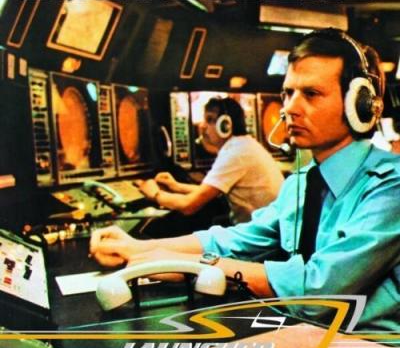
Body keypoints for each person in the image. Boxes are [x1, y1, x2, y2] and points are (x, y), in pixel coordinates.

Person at [90, 29, 400, 331]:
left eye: (311, 94)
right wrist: (140, 250)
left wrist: (190, 264)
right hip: (304, 333)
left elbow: (318, 289)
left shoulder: (391, 186)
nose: (290, 108)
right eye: (288, 93)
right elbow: (237, 241)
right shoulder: (302, 182)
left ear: (359, 105)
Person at [138, 97, 284, 224]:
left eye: (209, 120)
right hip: (269, 228)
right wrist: (176, 186)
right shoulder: (242, 145)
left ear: (225, 125)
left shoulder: (235, 153)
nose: (202, 126)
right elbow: (210, 193)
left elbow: (188, 206)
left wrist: (155, 194)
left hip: (262, 236)